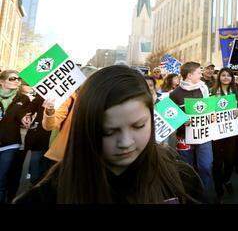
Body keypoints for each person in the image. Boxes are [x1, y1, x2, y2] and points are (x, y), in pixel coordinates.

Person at [14, 66, 206, 204]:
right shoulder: (45, 197)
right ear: (86, 126)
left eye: (139, 126)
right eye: (108, 131)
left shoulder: (183, 180)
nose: (125, 142)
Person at [167, 62, 215, 202]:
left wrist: (212, 115)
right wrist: (181, 121)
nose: (201, 74)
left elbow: (210, 109)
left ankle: (205, 196)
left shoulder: (204, 89)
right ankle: (190, 198)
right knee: (187, 170)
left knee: (206, 166)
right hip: (184, 137)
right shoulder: (175, 94)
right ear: (189, 75)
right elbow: (170, 117)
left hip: (203, 135)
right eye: (199, 72)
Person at [0, 71, 35, 203]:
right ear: (2, 82)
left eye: (18, 78)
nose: (17, 81)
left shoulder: (23, 98)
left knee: (1, 178)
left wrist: (25, 119)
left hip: (10, 143)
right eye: (13, 78)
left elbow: (22, 113)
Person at [209, 67, 238, 202]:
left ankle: (227, 179)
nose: (226, 78)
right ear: (219, 77)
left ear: (232, 78)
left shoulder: (235, 92)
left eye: (228, 76)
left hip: (231, 132)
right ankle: (219, 191)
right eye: (223, 75)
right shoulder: (212, 91)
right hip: (216, 133)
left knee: (230, 161)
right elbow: (207, 110)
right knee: (217, 162)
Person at [20, 83, 51, 187]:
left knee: (47, 165)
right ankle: (34, 185)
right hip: (40, 136)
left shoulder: (70, 99)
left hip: (56, 139)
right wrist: (27, 115)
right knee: (36, 160)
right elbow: (31, 108)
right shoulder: (42, 96)